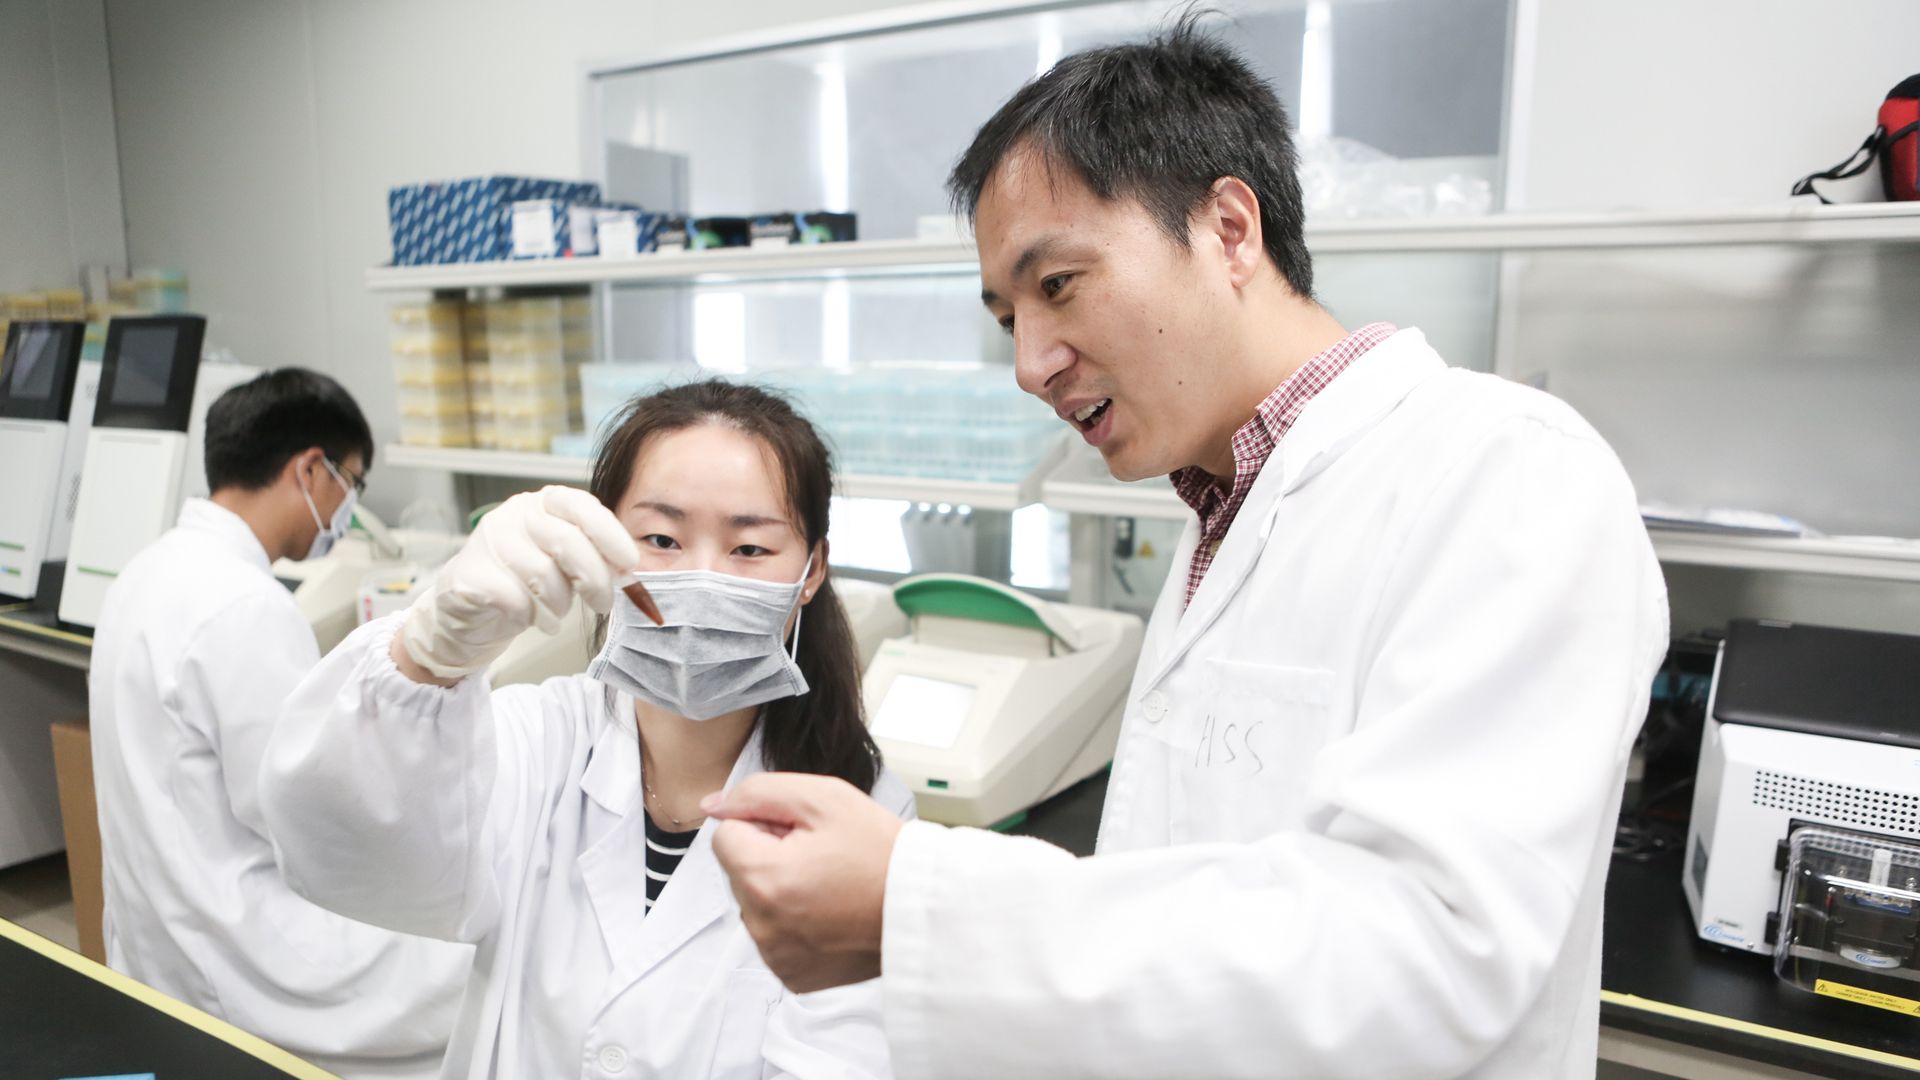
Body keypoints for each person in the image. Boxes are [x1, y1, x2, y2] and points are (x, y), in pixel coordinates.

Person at [702, 17, 1671, 1080]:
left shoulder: (1508, 473)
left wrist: (921, 898)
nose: (1030, 363)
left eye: (1058, 283)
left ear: (1228, 228)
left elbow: (1435, 953)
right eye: (1005, 316)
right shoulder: (1226, 508)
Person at [260, 379, 913, 1080]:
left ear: (811, 571)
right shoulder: (539, 739)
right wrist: (424, 657)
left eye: (749, 549)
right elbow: (338, 846)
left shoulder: (866, 809)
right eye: (660, 539)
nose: (700, 578)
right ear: (601, 546)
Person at [88, 368, 472, 1080]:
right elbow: (307, 822)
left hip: (159, 936)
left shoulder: (148, 569)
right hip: (238, 955)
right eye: (350, 484)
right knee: (472, 972)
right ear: (309, 469)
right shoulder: (244, 604)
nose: (347, 510)